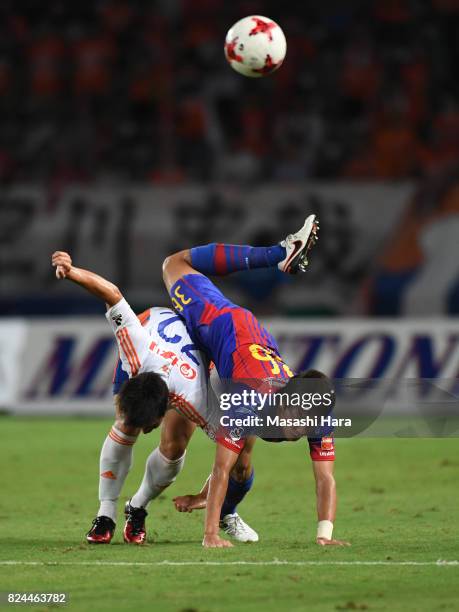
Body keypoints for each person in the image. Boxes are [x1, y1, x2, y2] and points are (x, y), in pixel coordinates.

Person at [162, 215, 350, 547]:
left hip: (258, 350)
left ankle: (224, 510)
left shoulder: (317, 411)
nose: (302, 428)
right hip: (220, 322)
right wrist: (209, 536)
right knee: (175, 263)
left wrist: (325, 536)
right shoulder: (248, 403)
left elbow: (326, 478)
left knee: (243, 461)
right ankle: (278, 253)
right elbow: (219, 468)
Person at [51, 251, 259, 545]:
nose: (149, 430)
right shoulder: (134, 349)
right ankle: (105, 512)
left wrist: (209, 493)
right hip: (148, 346)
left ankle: (137, 507)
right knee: (124, 426)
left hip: (189, 365)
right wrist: (71, 272)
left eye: (151, 425)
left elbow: (239, 443)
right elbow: (111, 293)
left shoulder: (193, 398)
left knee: (174, 447)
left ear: (165, 411)